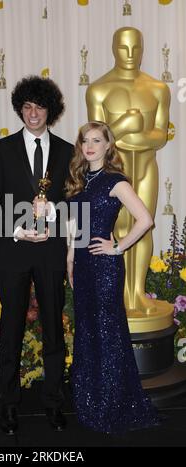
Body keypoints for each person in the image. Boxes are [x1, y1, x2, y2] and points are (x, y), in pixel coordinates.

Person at [0, 76, 73, 435]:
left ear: (51, 110)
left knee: (54, 327)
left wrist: (51, 211)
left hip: (50, 252)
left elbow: (74, 203)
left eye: (40, 106)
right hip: (13, 251)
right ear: (20, 108)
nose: (33, 113)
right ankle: (7, 404)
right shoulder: (1, 148)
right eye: (27, 106)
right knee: (12, 330)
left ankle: (54, 403)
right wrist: (17, 228)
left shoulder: (68, 150)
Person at [66, 121, 159, 434]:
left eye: (96, 140)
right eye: (85, 141)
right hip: (80, 262)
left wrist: (117, 248)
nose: (90, 146)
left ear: (108, 145)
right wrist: (69, 258)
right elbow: (75, 227)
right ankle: (89, 401)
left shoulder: (115, 180)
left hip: (104, 267)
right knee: (88, 330)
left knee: (108, 333)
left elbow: (145, 219)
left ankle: (113, 403)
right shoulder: (79, 182)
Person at [86, 27, 171, 319]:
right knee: (119, 229)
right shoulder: (98, 89)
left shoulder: (158, 88)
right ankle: (121, 294)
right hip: (113, 172)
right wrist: (125, 123)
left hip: (146, 167)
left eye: (136, 48)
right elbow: (95, 138)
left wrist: (131, 137)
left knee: (143, 227)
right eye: (124, 48)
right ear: (113, 48)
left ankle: (137, 293)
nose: (131, 54)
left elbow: (160, 135)